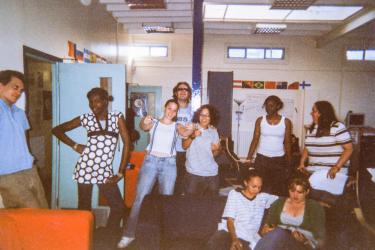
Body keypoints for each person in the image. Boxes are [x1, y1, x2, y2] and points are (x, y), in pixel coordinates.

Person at [118, 99, 194, 248]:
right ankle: (128, 234)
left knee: (166, 201)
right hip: (151, 162)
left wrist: (190, 129)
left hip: (169, 164)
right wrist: (145, 121)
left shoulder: (177, 126)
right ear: (164, 108)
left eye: (174, 110)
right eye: (169, 108)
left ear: (177, 112)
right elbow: (143, 126)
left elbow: (185, 133)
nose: (171, 112)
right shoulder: (154, 122)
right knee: (139, 198)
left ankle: (164, 236)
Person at [52, 87, 130, 231]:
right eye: (90, 102)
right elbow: (56, 130)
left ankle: (108, 237)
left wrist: (120, 172)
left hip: (104, 171)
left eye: (97, 101)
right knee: (84, 207)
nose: (93, 105)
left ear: (105, 102)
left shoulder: (117, 117)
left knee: (118, 207)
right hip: (85, 168)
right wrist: (74, 145)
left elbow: (127, 143)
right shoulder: (85, 118)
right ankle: (84, 238)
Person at [0, 70, 48, 208]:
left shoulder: (19, 113)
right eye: (15, 87)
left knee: (43, 208)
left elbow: (23, 141)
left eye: (21, 90)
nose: (19, 93)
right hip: (9, 174)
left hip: (29, 169)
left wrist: (30, 158)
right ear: (1, 85)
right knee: (29, 216)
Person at [297, 101, 353, 203]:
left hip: (332, 173)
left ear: (322, 113)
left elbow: (349, 149)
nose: (311, 113)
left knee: (308, 192)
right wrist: (302, 163)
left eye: (314, 111)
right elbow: (307, 147)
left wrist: (337, 167)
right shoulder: (311, 129)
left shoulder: (337, 127)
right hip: (314, 172)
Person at [207, 170, 278, 250]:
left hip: (248, 236)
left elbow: (285, 202)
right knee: (214, 245)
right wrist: (234, 239)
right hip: (229, 232)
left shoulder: (263, 197)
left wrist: (270, 223)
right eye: (254, 186)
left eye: (259, 187)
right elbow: (230, 220)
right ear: (246, 183)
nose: (257, 190)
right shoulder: (235, 194)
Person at [255, 178, 325, 250]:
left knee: (277, 234)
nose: (295, 195)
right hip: (279, 238)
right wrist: (265, 230)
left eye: (299, 192)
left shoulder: (315, 207)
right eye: (292, 191)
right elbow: (268, 225)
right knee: (277, 234)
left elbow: (321, 239)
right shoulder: (279, 202)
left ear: (307, 192)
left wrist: (305, 241)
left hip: (302, 245)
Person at [246, 95, 292, 196]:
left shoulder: (286, 122)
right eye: (266, 106)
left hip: (279, 160)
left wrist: (289, 163)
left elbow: (288, 143)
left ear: (278, 106)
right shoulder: (260, 120)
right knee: (261, 188)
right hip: (262, 159)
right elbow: (255, 139)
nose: (268, 108)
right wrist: (248, 158)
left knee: (277, 189)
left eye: (271, 106)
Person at [183, 104, 221, 196]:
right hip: (193, 173)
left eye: (207, 115)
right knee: (191, 205)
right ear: (198, 116)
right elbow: (184, 146)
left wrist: (216, 149)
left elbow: (215, 154)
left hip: (211, 174)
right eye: (202, 115)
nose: (204, 118)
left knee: (210, 205)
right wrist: (193, 136)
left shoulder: (214, 131)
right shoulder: (191, 127)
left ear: (211, 117)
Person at [173, 81, 193, 195]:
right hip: (172, 151)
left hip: (187, 151)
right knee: (171, 182)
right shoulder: (170, 108)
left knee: (184, 182)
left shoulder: (193, 110)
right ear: (176, 92)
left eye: (186, 89)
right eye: (180, 89)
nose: (183, 91)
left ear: (189, 94)